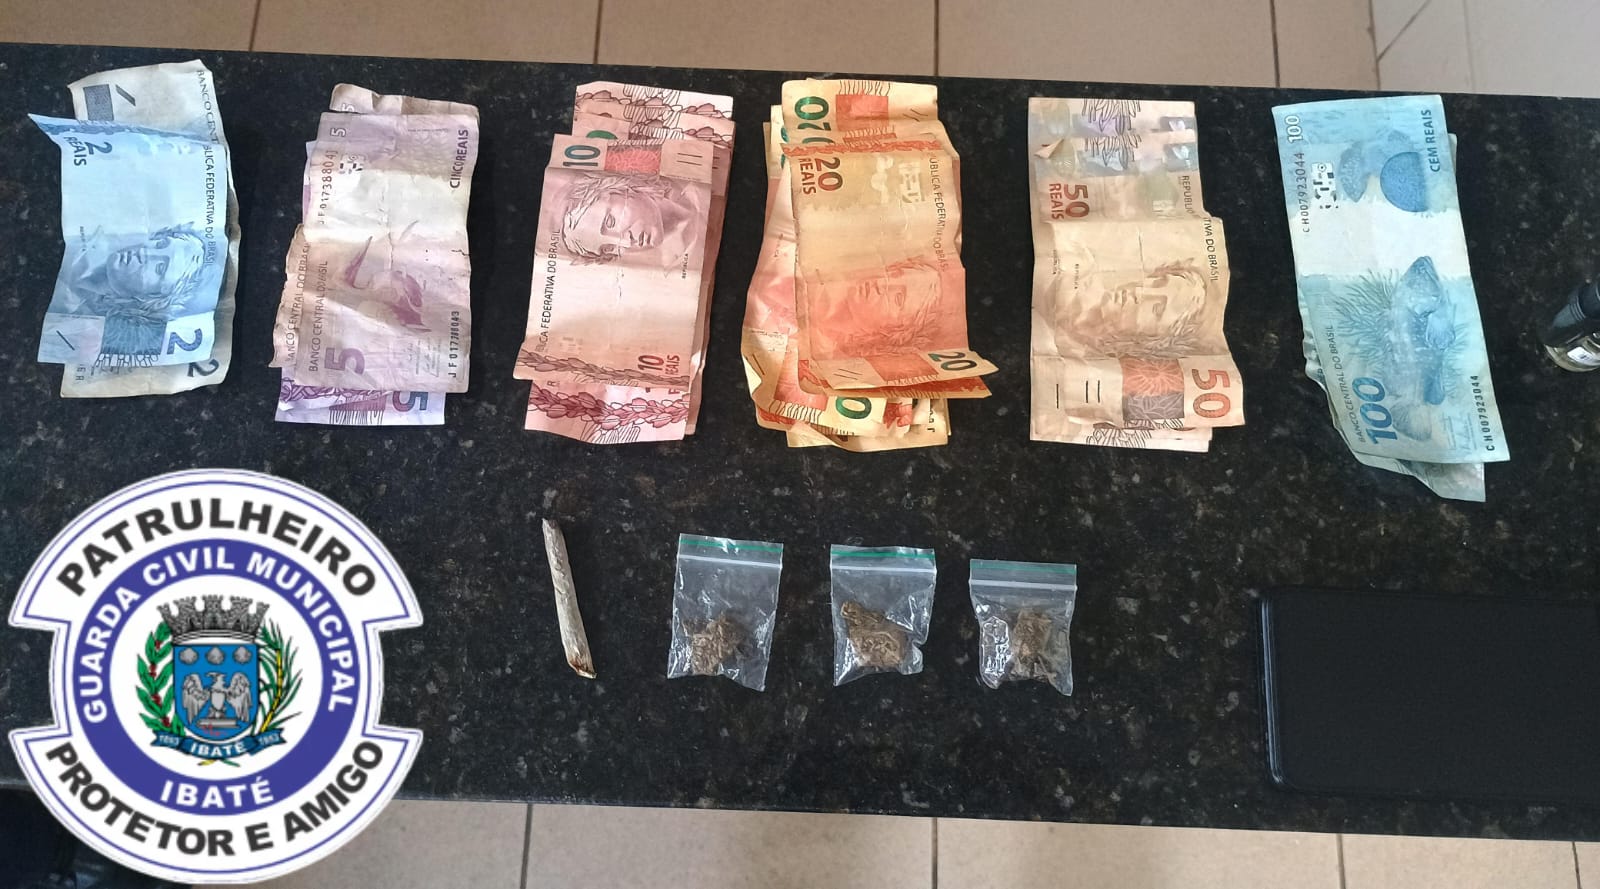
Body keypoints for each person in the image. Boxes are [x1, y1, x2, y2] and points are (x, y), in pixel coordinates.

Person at [555, 170, 705, 269]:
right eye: (608, 249)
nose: (626, 242)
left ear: (620, 189)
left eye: (610, 222)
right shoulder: (677, 266)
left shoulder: (694, 184)